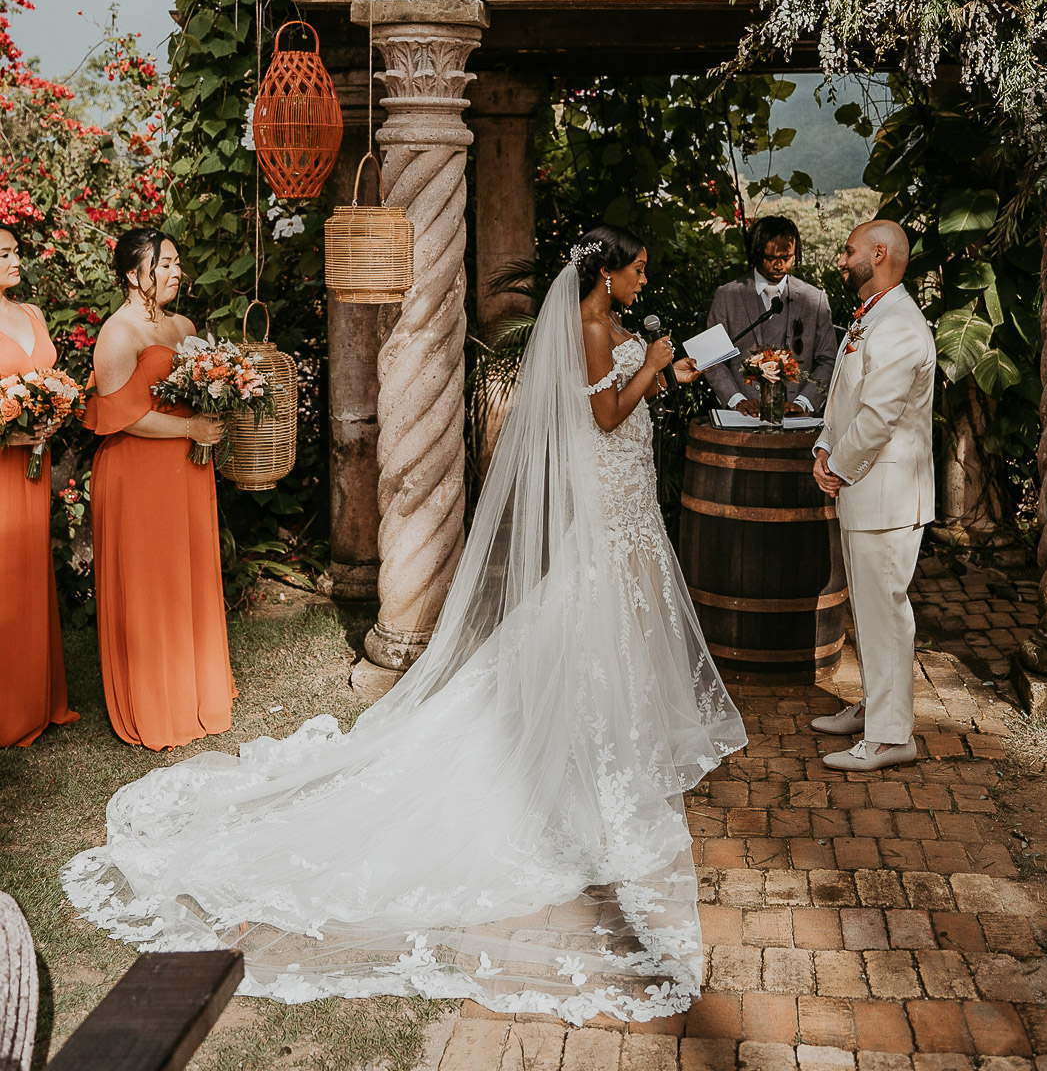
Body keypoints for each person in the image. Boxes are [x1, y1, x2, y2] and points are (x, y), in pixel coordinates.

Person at [62, 225, 747, 1025]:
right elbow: (598, 419)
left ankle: (615, 724)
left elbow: (620, 403)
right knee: (587, 602)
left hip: (628, 482)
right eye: (636, 271)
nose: (641, 282)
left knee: (610, 604)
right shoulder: (592, 326)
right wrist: (655, 368)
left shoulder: (614, 326)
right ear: (606, 276)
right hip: (611, 482)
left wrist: (668, 370)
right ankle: (573, 730)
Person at [85, 229, 231, 750]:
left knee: (186, 573)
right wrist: (191, 430)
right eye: (164, 264)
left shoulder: (184, 325)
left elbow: (195, 391)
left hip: (186, 471)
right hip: (137, 474)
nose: (175, 272)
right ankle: (154, 702)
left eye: (175, 263)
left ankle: (195, 691)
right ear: (133, 274)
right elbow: (121, 417)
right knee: (150, 581)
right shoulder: (117, 335)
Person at [809, 219, 936, 772]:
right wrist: (822, 446)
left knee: (886, 613)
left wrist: (835, 464)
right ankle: (876, 708)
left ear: (878, 254)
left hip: (886, 495)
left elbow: (880, 416)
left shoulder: (902, 327)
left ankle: (891, 738)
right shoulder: (874, 316)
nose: (842, 259)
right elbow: (844, 398)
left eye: (849, 250)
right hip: (864, 489)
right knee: (868, 609)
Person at [0, 224, 79, 749]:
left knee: (29, 571)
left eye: (15, 251)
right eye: (4, 253)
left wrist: (52, 415)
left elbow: (47, 380)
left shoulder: (31, 315)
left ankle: (36, 698)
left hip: (33, 465)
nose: (15, 259)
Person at [704, 215, 836, 416]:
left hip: (795, 420)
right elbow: (713, 358)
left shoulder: (814, 299)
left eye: (787, 258)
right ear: (757, 252)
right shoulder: (727, 296)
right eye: (771, 258)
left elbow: (828, 360)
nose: (779, 265)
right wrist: (737, 400)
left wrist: (803, 402)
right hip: (742, 419)